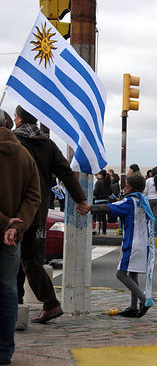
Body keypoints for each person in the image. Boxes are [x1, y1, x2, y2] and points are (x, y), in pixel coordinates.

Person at [13, 105, 87, 324]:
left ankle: (46, 303)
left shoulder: (14, 142)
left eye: (16, 116)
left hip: (17, 209)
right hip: (37, 209)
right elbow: (65, 172)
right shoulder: (48, 143)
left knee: (23, 258)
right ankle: (19, 304)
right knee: (23, 257)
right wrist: (80, 199)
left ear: (18, 119)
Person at [77, 174, 155, 318]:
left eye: (127, 185)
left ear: (133, 188)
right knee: (133, 274)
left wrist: (90, 208)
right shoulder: (143, 200)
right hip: (143, 243)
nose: (124, 187)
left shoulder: (129, 201)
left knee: (120, 274)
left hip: (132, 242)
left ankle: (145, 300)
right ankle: (133, 307)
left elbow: (111, 207)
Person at [0, 111, 41, 364]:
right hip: (12, 237)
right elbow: (33, 196)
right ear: (7, 124)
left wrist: (5, 223)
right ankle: (4, 351)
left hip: (7, 229)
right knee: (7, 290)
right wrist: (16, 226)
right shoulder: (24, 155)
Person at [93, 169, 112, 234]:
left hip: (98, 201)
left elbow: (95, 192)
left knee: (98, 217)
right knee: (104, 218)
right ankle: (104, 231)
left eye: (98, 174)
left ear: (100, 175)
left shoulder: (98, 182)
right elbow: (110, 192)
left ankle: (97, 230)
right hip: (105, 201)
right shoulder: (107, 182)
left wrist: (94, 193)